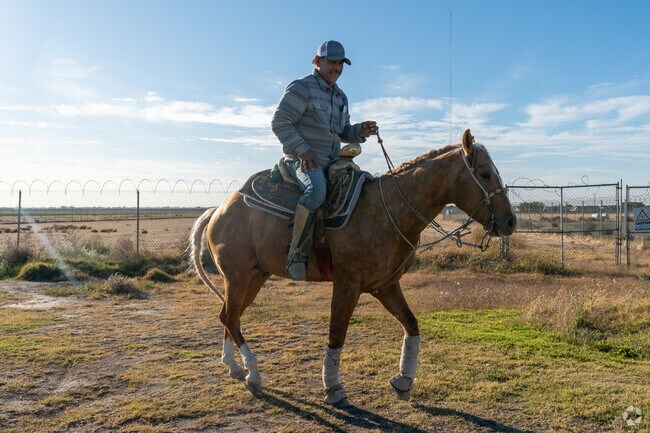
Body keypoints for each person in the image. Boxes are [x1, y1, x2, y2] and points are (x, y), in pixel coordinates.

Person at [271, 40, 378, 281]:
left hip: (332, 161)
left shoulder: (340, 97)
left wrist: (361, 129)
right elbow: (280, 122)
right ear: (317, 61)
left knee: (363, 186)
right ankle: (296, 252)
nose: (337, 68)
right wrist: (303, 150)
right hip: (303, 161)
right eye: (332, 62)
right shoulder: (302, 88)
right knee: (317, 189)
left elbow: (343, 133)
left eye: (341, 63)